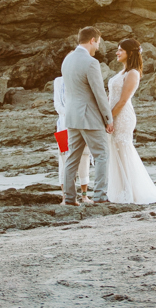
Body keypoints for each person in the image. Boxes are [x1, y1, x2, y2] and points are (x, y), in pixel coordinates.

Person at [107, 38, 156, 204]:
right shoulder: (122, 72)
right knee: (115, 151)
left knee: (123, 150)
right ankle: (121, 191)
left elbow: (123, 100)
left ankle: (131, 192)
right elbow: (111, 97)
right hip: (113, 114)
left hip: (122, 117)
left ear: (129, 53)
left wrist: (109, 119)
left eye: (120, 50)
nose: (117, 53)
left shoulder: (133, 73)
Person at [60, 26, 114, 205]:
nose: (98, 46)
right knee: (102, 155)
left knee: (72, 158)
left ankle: (69, 198)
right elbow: (99, 93)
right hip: (89, 117)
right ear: (92, 40)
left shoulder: (67, 60)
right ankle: (100, 196)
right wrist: (108, 118)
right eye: (98, 42)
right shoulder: (91, 62)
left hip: (72, 117)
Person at [53, 74, 93, 204]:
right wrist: (70, 114)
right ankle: (65, 196)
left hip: (83, 124)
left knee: (84, 158)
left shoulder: (83, 78)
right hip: (64, 126)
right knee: (64, 160)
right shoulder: (59, 81)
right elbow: (57, 104)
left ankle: (84, 195)